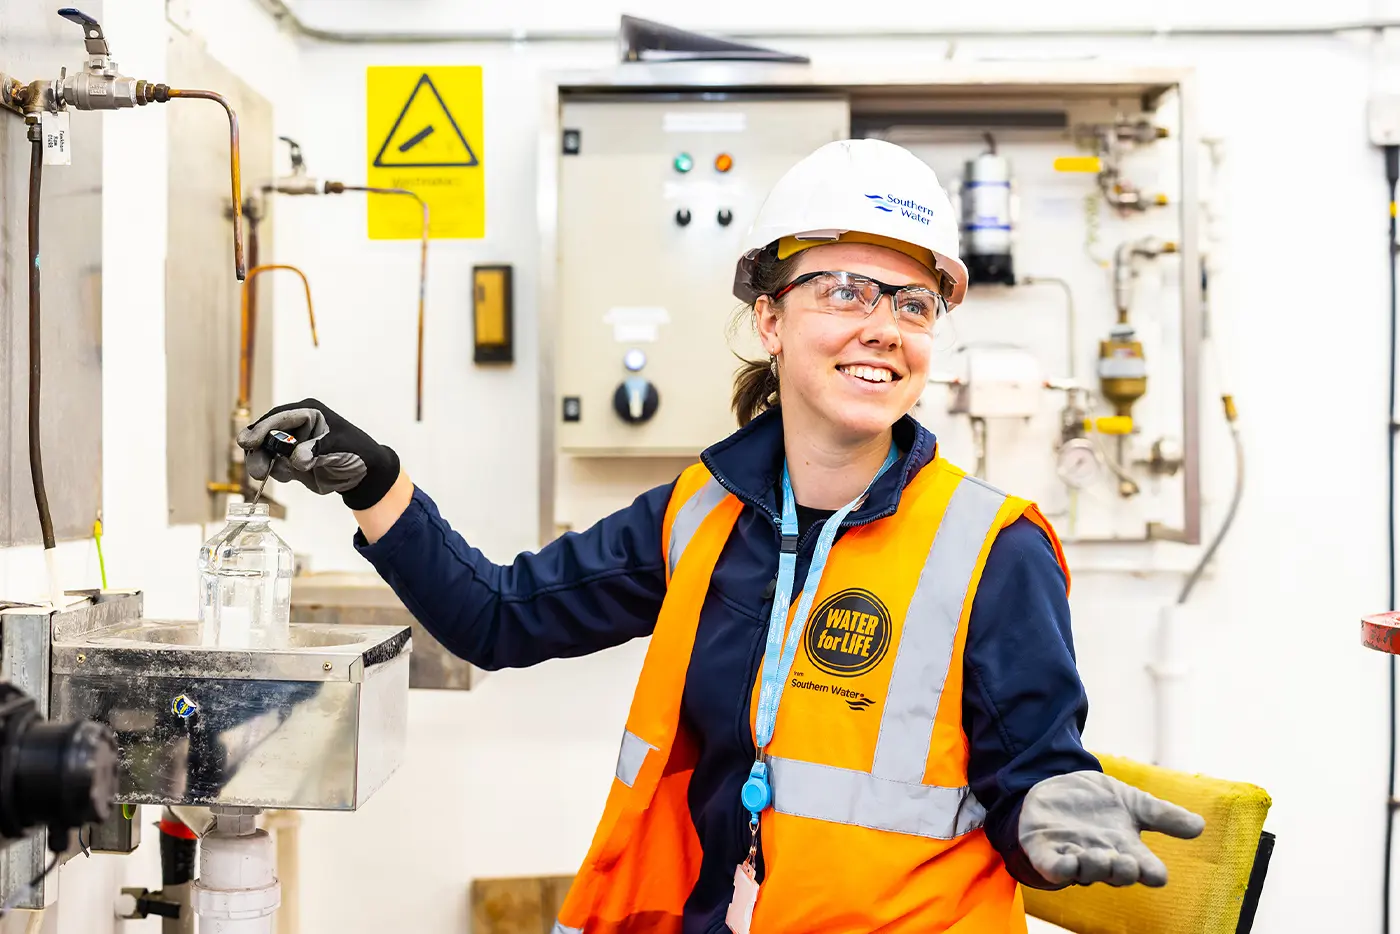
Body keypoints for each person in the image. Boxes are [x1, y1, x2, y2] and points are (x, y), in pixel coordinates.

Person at [239, 139, 1204, 934]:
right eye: (847, 293)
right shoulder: (701, 512)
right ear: (771, 320)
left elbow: (1031, 763)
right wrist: (371, 480)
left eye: (913, 303)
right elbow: (499, 618)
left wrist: (1046, 800)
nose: (885, 327)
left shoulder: (992, 548)